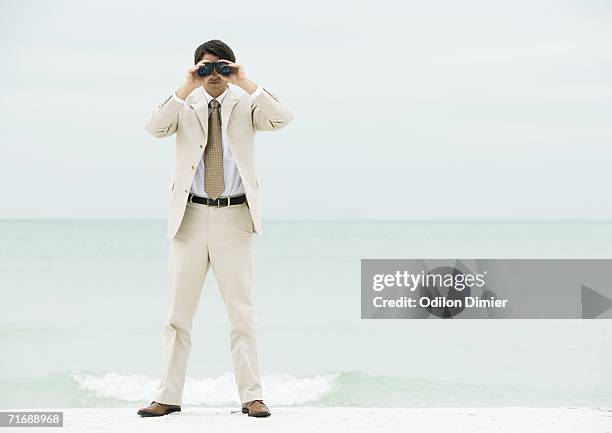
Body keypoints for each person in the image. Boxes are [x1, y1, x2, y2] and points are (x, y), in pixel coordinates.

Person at [137, 39, 294, 418]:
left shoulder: (245, 102)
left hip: (234, 216)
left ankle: (252, 396)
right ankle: (168, 396)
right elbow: (154, 128)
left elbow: (283, 118)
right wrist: (186, 85)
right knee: (178, 314)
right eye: (206, 68)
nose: (214, 75)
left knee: (241, 312)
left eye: (220, 68)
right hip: (189, 217)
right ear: (195, 70)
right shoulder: (184, 104)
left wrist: (245, 81)